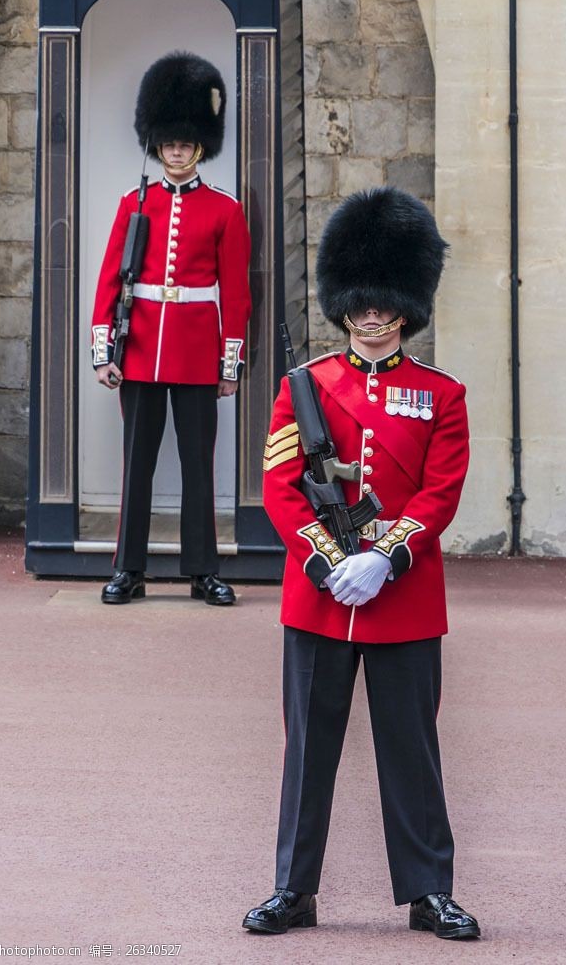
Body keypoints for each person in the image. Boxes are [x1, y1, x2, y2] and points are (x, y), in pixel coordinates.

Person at [243, 188, 481, 940]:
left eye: (383, 305)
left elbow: (439, 492)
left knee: (410, 751)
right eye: (359, 305)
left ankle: (426, 892)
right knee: (308, 750)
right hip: (317, 600)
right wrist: (326, 563)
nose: (370, 317)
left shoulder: (440, 394)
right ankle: (293, 889)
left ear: (404, 306)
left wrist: (383, 557)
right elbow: (280, 489)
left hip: (402, 597)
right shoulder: (303, 387)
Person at [91, 52, 251, 606]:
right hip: (138, 353)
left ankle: (202, 570)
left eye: (185, 142)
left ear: (200, 145)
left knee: (196, 466)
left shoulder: (225, 211)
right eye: (169, 142)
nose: (176, 150)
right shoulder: (133, 204)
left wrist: (229, 365)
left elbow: (236, 295)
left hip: (196, 355)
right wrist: (102, 352)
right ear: (157, 143)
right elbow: (109, 282)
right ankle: (128, 569)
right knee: (136, 464)